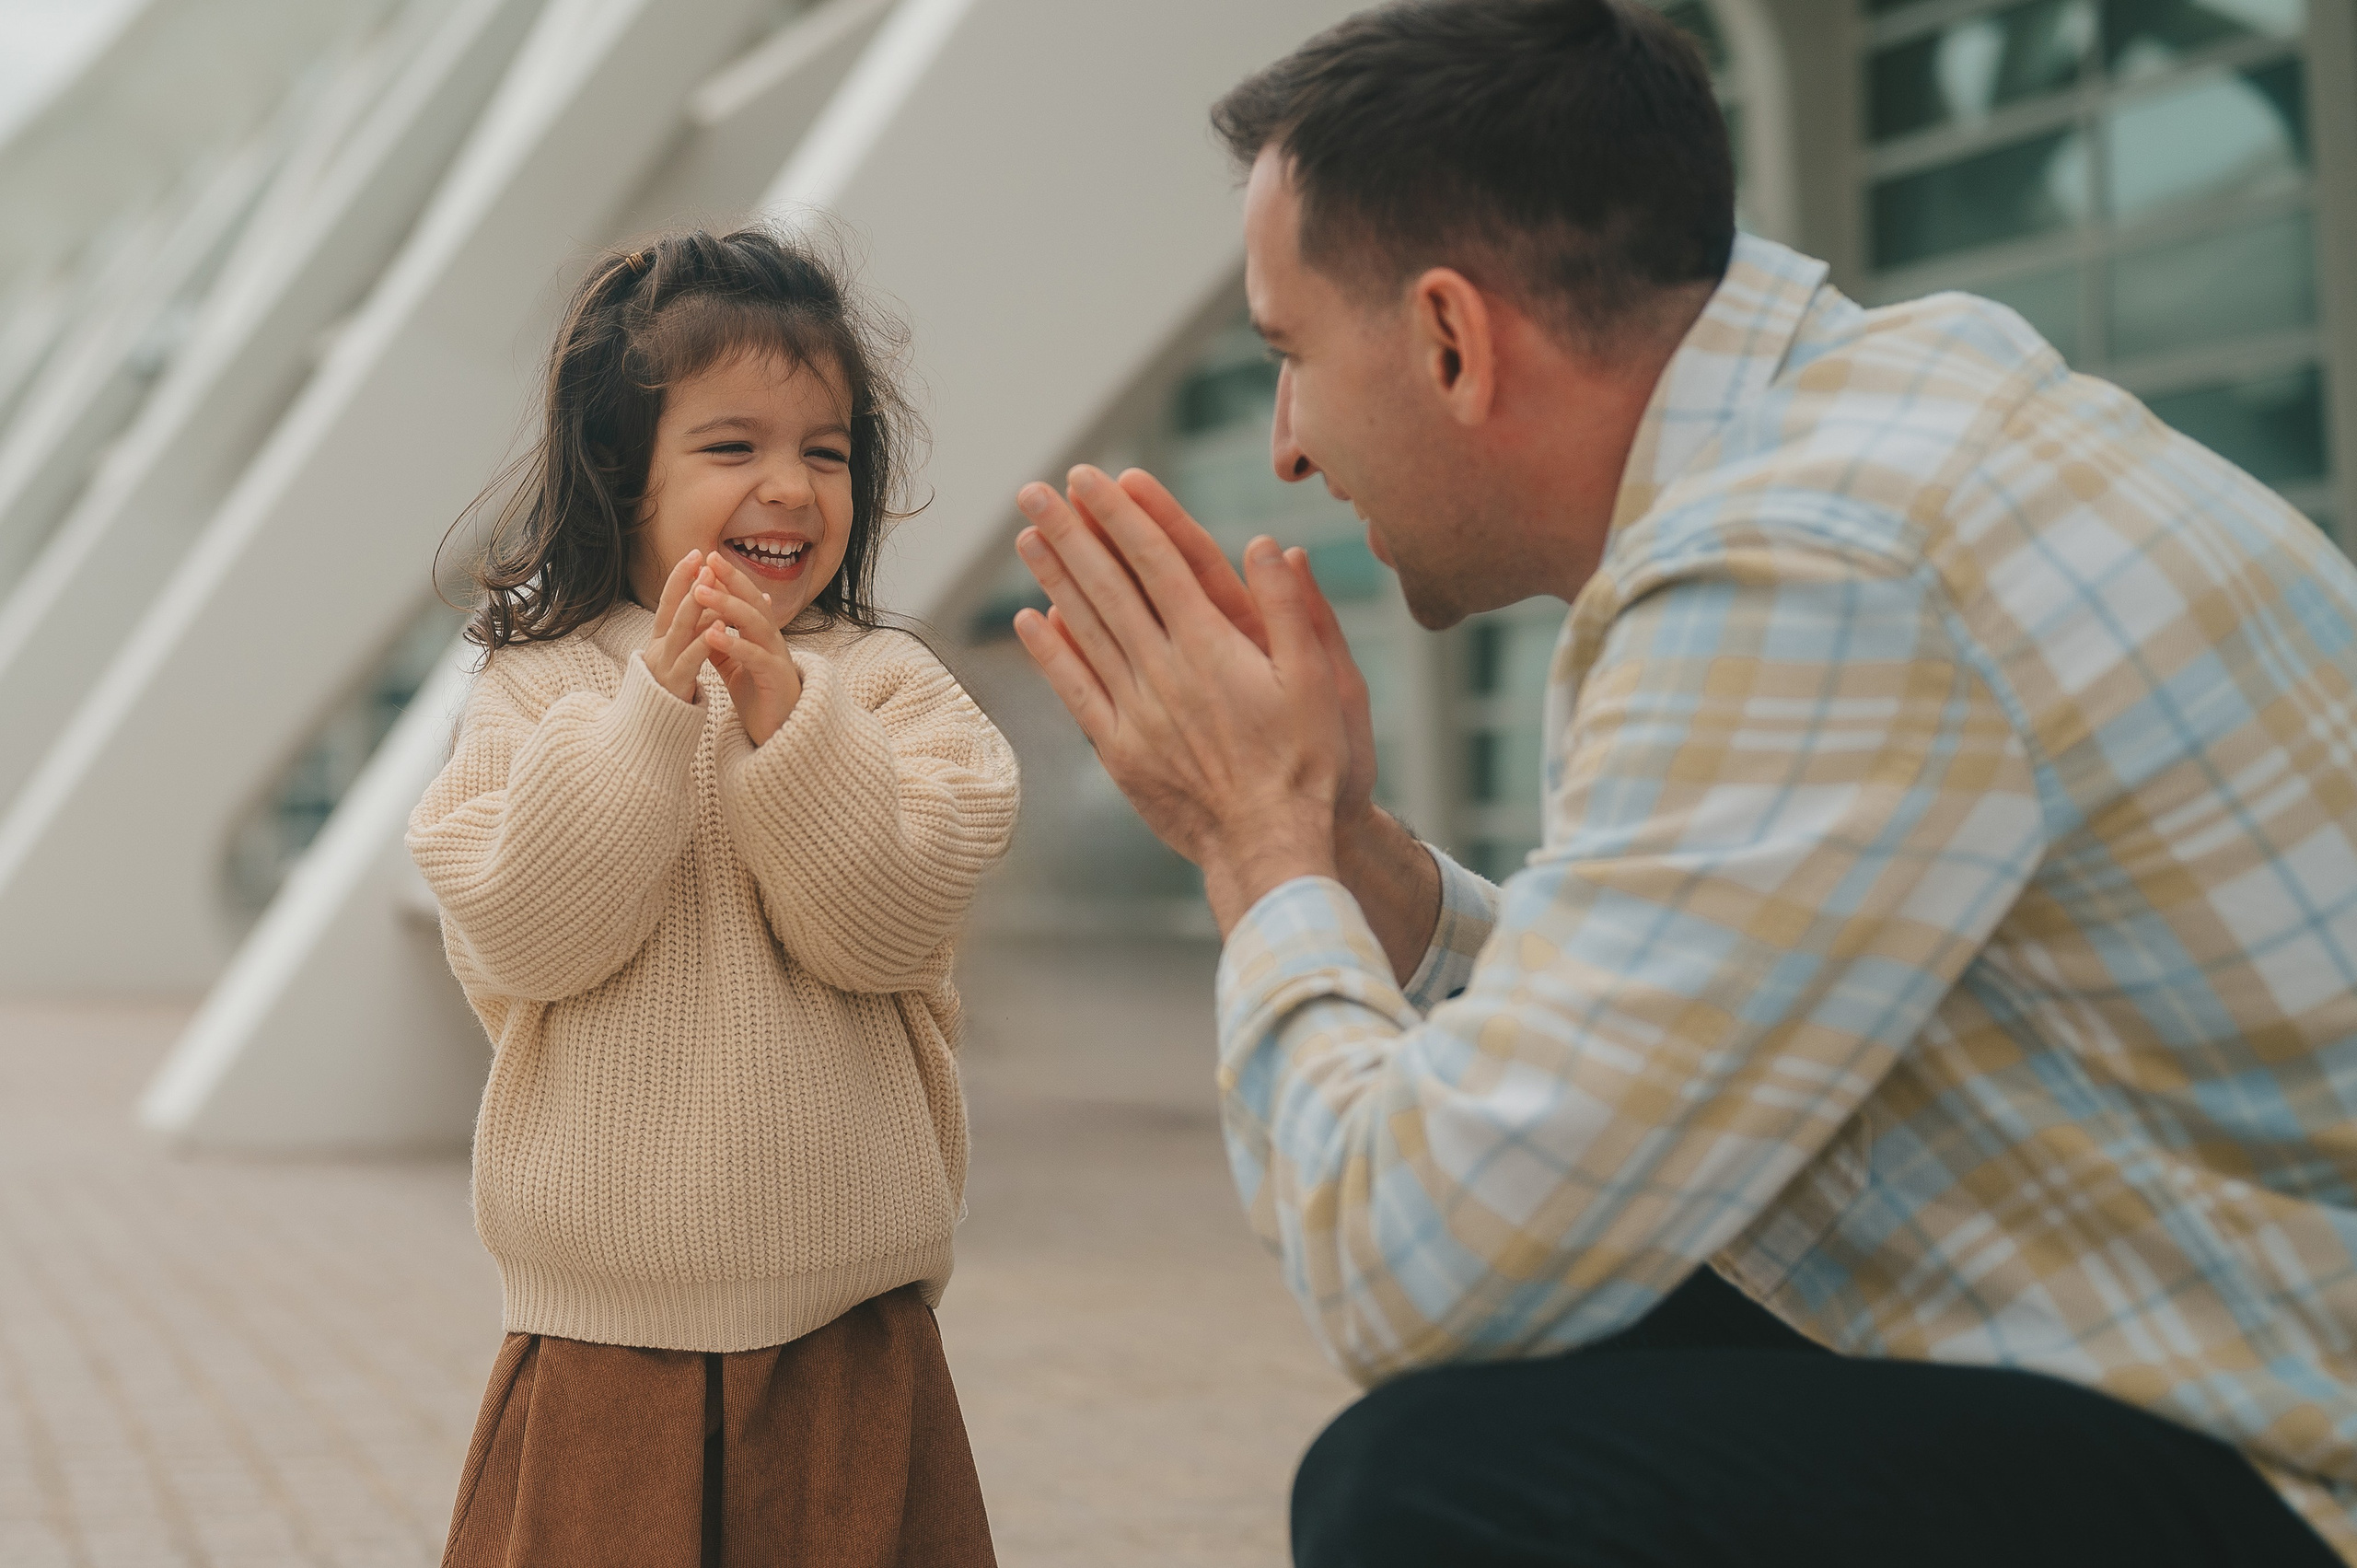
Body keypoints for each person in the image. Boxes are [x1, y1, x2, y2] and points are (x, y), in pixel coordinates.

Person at [1009, 3, 2357, 1565]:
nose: (1290, 447)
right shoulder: (1875, 428)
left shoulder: (1802, 570)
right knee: (1599, 1299)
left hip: (2298, 1465)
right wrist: (1343, 849)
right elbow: (1639, 1044)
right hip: (2236, 1358)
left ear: (1453, 338)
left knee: (1439, 1488)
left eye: (1289, 356)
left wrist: (1257, 844)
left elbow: (1409, 1266)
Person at [408, 226, 1016, 1568]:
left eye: (829, 449)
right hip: (599, 1344)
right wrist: (646, 719)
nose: (789, 488)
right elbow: (526, 933)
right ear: (625, 476)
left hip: (850, 1339)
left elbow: (886, 926)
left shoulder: (893, 694)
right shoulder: (539, 692)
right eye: (733, 447)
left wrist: (791, 724)